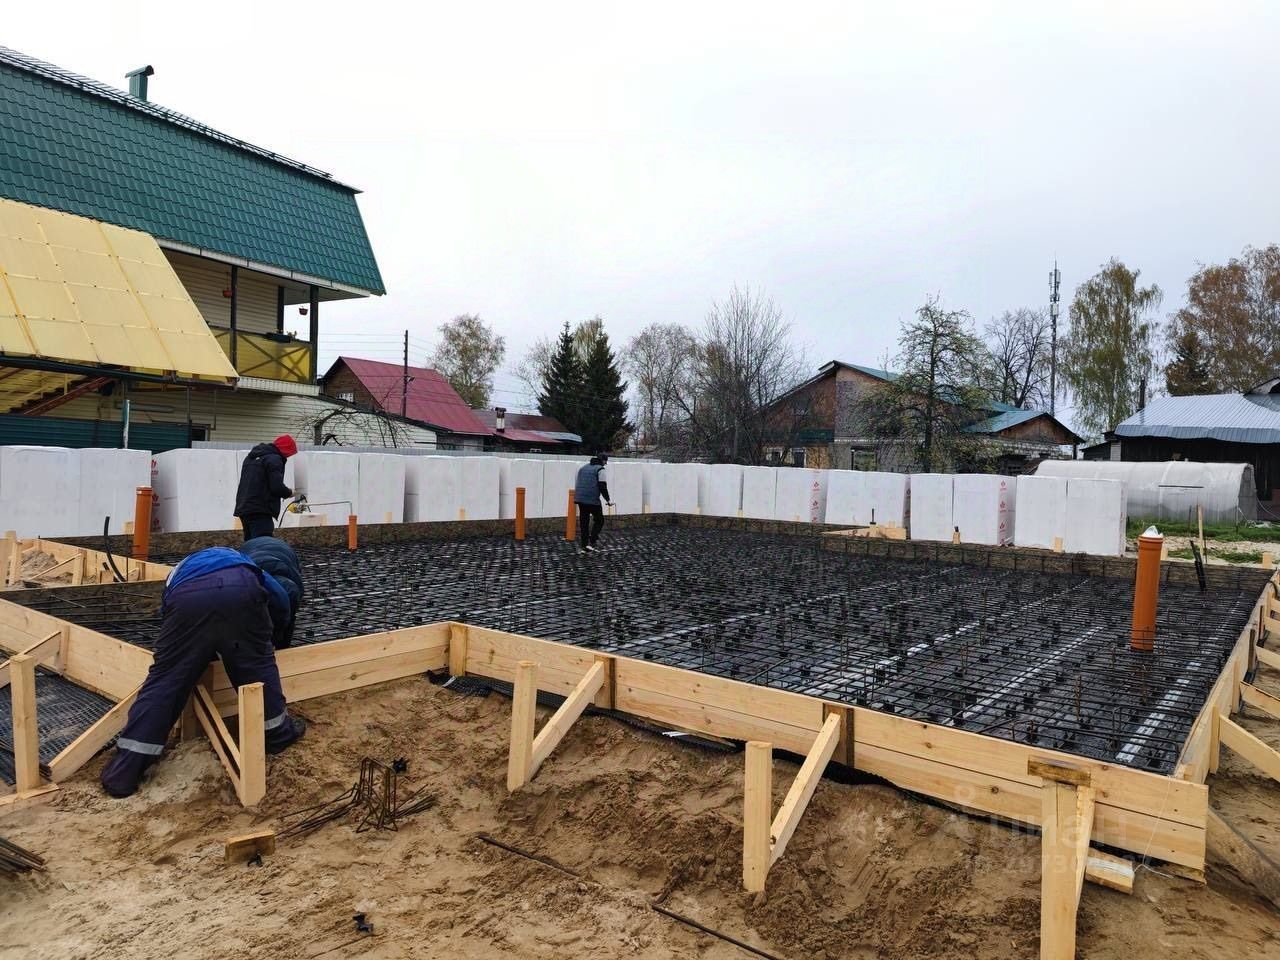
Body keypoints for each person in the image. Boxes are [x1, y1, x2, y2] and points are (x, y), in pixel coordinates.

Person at [99, 538, 307, 798]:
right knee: (257, 665)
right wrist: (270, 638)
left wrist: (194, 651)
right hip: (241, 591)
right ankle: (277, 734)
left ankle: (124, 772)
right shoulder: (247, 566)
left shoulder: (182, 569)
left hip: (188, 599)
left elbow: (170, 610)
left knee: (165, 680)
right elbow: (278, 600)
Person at [234, 435, 297, 541]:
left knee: (250, 544)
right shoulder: (274, 459)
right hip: (260, 509)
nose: (288, 456)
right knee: (263, 544)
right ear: (286, 449)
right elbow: (276, 487)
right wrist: (289, 492)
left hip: (244, 507)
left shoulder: (251, 457)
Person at [573, 454, 612, 553]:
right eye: (605, 461)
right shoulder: (600, 470)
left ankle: (584, 544)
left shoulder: (583, 468)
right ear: (602, 461)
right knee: (599, 520)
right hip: (592, 500)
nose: (606, 463)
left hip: (580, 499)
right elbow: (602, 486)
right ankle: (593, 539)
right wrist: (608, 500)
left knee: (584, 522)